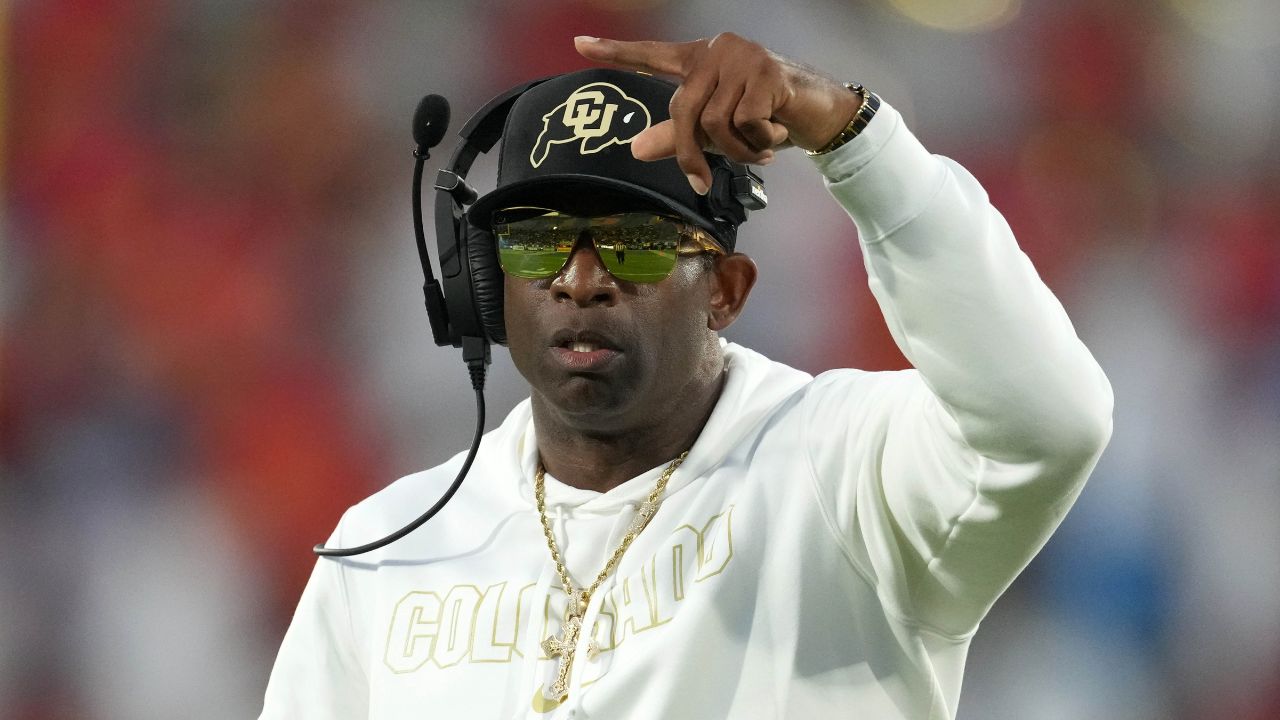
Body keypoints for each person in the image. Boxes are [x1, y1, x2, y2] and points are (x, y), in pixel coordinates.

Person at [261, 33, 1113, 719]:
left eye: (631, 240)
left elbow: (1050, 420)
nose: (579, 276)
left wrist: (854, 137)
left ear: (727, 293)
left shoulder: (847, 469)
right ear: (484, 286)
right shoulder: (389, 546)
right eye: (537, 239)